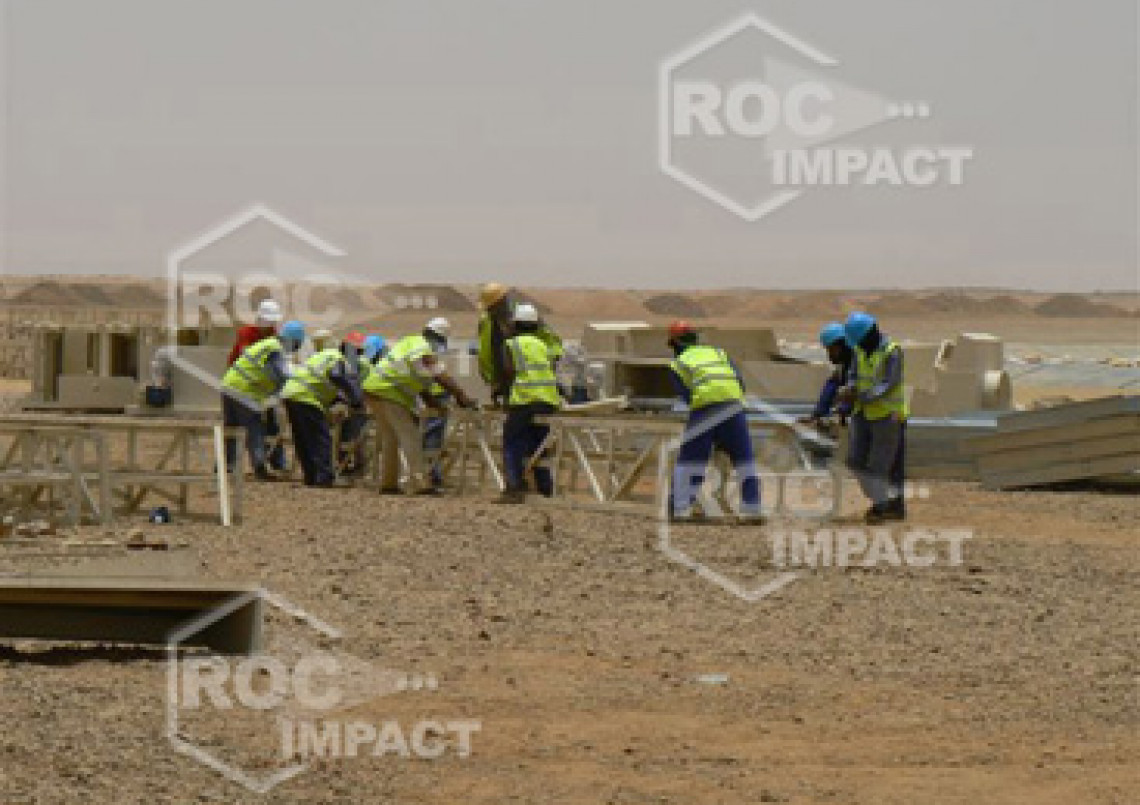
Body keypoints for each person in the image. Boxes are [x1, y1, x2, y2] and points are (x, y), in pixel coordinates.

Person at [362, 317, 476, 495]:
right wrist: (461, 396)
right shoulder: (422, 347)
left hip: (373, 389)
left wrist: (434, 403)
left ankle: (389, 484)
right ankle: (421, 483)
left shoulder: (409, 342)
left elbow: (419, 382)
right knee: (411, 436)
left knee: (390, 439)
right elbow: (439, 374)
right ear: (439, 338)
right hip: (387, 391)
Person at [667, 320, 762, 522]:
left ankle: (680, 507)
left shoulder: (678, 363)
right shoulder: (719, 353)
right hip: (734, 406)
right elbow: (740, 382)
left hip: (705, 408)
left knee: (692, 457)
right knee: (743, 458)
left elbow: (686, 396)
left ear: (675, 344)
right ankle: (752, 508)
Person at [839, 312, 908, 523]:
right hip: (862, 413)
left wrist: (862, 396)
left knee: (881, 465)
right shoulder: (859, 350)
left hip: (888, 415)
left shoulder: (892, 352)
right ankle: (884, 501)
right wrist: (849, 389)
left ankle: (884, 507)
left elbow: (889, 383)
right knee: (855, 461)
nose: (858, 345)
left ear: (870, 334)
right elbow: (853, 375)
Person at [220, 319, 305, 480]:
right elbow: (280, 375)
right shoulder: (275, 349)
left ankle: (226, 467)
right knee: (254, 427)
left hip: (229, 384)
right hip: (244, 389)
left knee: (232, 428)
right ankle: (259, 467)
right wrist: (294, 387)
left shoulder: (269, 343)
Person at [496, 303, 563, 504]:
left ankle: (514, 487)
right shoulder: (543, 345)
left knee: (512, 442)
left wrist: (502, 394)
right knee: (540, 444)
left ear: (516, 324)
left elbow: (508, 372)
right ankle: (545, 488)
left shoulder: (511, 345)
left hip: (524, 399)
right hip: (548, 400)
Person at [281, 332, 366, 487]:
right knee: (321, 438)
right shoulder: (338, 360)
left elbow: (322, 382)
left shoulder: (323, 355)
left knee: (304, 439)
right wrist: (356, 400)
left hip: (291, 393)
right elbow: (337, 376)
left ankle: (311, 476)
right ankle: (324, 477)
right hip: (306, 397)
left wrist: (339, 398)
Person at [477, 283, 562, 405]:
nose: (490, 311)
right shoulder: (486, 323)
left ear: (501, 302)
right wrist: (492, 380)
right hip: (504, 380)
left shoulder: (525, 316)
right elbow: (485, 353)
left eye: (491, 307)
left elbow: (551, 341)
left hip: (529, 378)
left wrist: (551, 360)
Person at [338, 334, 388, 477]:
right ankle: (357, 467)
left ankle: (344, 466)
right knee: (358, 436)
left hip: (345, 401)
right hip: (357, 403)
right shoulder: (365, 364)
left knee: (345, 435)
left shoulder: (346, 362)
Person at [800, 321, 854, 427]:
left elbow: (856, 391)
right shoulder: (842, 368)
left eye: (832, 349)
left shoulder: (858, 364)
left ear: (842, 346)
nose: (830, 354)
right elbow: (830, 389)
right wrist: (818, 414)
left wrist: (842, 410)